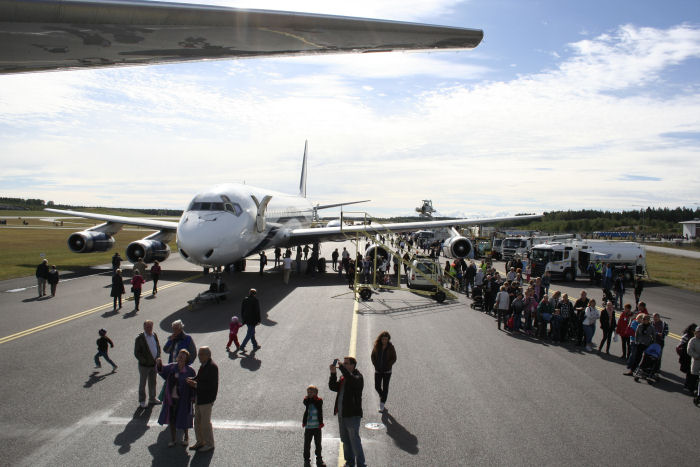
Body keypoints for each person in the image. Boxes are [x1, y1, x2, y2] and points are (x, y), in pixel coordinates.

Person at [329, 356, 365, 467]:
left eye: (346, 363)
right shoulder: (343, 377)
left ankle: (361, 464)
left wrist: (341, 369)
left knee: (354, 441)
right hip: (342, 414)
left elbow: (352, 380)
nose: (343, 365)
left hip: (352, 415)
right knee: (345, 440)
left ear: (352, 365)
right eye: (343, 363)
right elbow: (333, 387)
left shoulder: (358, 377)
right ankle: (349, 462)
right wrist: (333, 374)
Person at [157, 349, 196, 447]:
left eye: (183, 356)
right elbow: (162, 371)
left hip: (184, 399)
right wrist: (159, 364)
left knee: (184, 418)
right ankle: (173, 439)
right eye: (179, 355)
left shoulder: (190, 371)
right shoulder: (171, 367)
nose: (181, 357)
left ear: (187, 359)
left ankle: (186, 438)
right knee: (172, 419)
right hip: (171, 399)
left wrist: (193, 398)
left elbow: (194, 385)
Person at [186, 346, 218, 452]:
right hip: (200, 397)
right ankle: (200, 441)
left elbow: (211, 385)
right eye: (199, 354)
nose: (199, 356)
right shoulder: (204, 365)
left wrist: (196, 385)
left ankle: (209, 444)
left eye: (201, 354)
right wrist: (192, 379)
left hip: (207, 399)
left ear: (207, 355)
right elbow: (200, 378)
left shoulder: (212, 367)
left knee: (205, 423)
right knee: (197, 422)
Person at [134, 320, 162, 408]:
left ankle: (152, 398)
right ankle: (142, 400)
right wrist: (144, 361)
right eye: (147, 327)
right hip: (144, 366)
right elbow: (137, 353)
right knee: (142, 383)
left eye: (150, 327)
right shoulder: (140, 338)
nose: (149, 328)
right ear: (144, 327)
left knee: (153, 382)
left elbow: (158, 347)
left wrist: (158, 356)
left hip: (154, 364)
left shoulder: (154, 335)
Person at [371, 331, 397, 412]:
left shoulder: (391, 347)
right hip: (378, 370)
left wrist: (389, 365)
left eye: (386, 339)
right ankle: (382, 396)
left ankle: (382, 404)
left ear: (388, 339)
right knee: (377, 386)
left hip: (387, 371)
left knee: (385, 387)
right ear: (381, 339)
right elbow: (372, 356)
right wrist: (375, 365)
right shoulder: (377, 346)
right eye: (383, 339)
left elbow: (394, 358)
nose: (384, 341)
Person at [302, 385, 327, 467]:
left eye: (311, 392)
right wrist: (309, 398)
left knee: (318, 444)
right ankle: (306, 460)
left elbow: (319, 403)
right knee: (307, 445)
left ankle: (319, 459)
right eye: (308, 392)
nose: (309, 394)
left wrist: (313, 398)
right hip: (308, 427)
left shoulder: (318, 401)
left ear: (316, 393)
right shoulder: (307, 401)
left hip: (317, 427)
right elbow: (305, 402)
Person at [678, 324, 698, 394]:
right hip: (688, 357)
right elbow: (687, 350)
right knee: (690, 373)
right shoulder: (689, 338)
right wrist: (695, 356)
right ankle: (689, 386)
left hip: (696, 359)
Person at [686, 327, 700, 405]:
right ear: (695, 333)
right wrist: (696, 356)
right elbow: (689, 350)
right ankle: (693, 390)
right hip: (696, 360)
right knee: (694, 376)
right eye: (698, 332)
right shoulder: (693, 340)